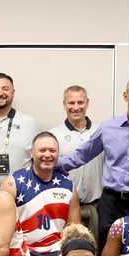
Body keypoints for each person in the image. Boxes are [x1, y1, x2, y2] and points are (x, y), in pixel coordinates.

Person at [58, 76, 129, 250]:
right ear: (125, 96)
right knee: (105, 252)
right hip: (110, 202)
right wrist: (52, 165)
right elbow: (82, 155)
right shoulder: (108, 127)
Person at [0, 131, 80, 256]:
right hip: (23, 250)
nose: (47, 155)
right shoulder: (13, 183)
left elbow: (74, 228)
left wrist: (67, 252)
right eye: (42, 150)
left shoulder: (69, 186)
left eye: (52, 151)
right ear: (31, 153)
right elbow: (0, 227)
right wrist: (18, 252)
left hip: (56, 254)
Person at [49, 85, 103, 239]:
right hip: (64, 206)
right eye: (71, 103)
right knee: (67, 249)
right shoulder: (54, 135)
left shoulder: (101, 133)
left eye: (80, 102)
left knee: (94, 251)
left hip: (96, 206)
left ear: (87, 103)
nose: (76, 107)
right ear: (64, 104)